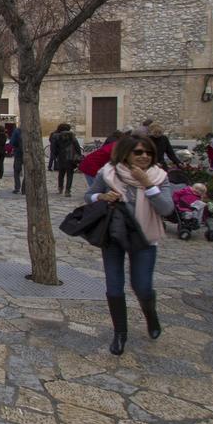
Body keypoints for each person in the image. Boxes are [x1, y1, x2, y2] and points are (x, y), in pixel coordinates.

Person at [85, 136, 173, 355]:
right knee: (114, 286)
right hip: (114, 235)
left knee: (142, 285)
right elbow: (89, 196)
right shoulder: (108, 173)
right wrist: (102, 196)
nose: (144, 156)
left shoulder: (159, 177)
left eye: (148, 153)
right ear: (125, 153)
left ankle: (151, 316)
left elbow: (167, 209)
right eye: (138, 152)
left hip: (144, 237)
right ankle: (120, 333)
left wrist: (148, 184)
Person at [54, 124, 81, 197]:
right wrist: (79, 155)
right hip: (70, 157)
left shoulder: (57, 136)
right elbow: (77, 146)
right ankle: (67, 191)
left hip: (61, 157)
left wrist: (56, 155)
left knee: (61, 174)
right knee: (70, 175)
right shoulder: (72, 136)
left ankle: (60, 188)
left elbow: (55, 148)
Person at [9, 124, 23, 194]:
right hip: (29, 153)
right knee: (28, 171)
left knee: (16, 171)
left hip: (18, 153)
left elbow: (12, 142)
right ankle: (25, 188)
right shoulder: (31, 129)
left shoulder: (17, 131)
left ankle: (17, 187)